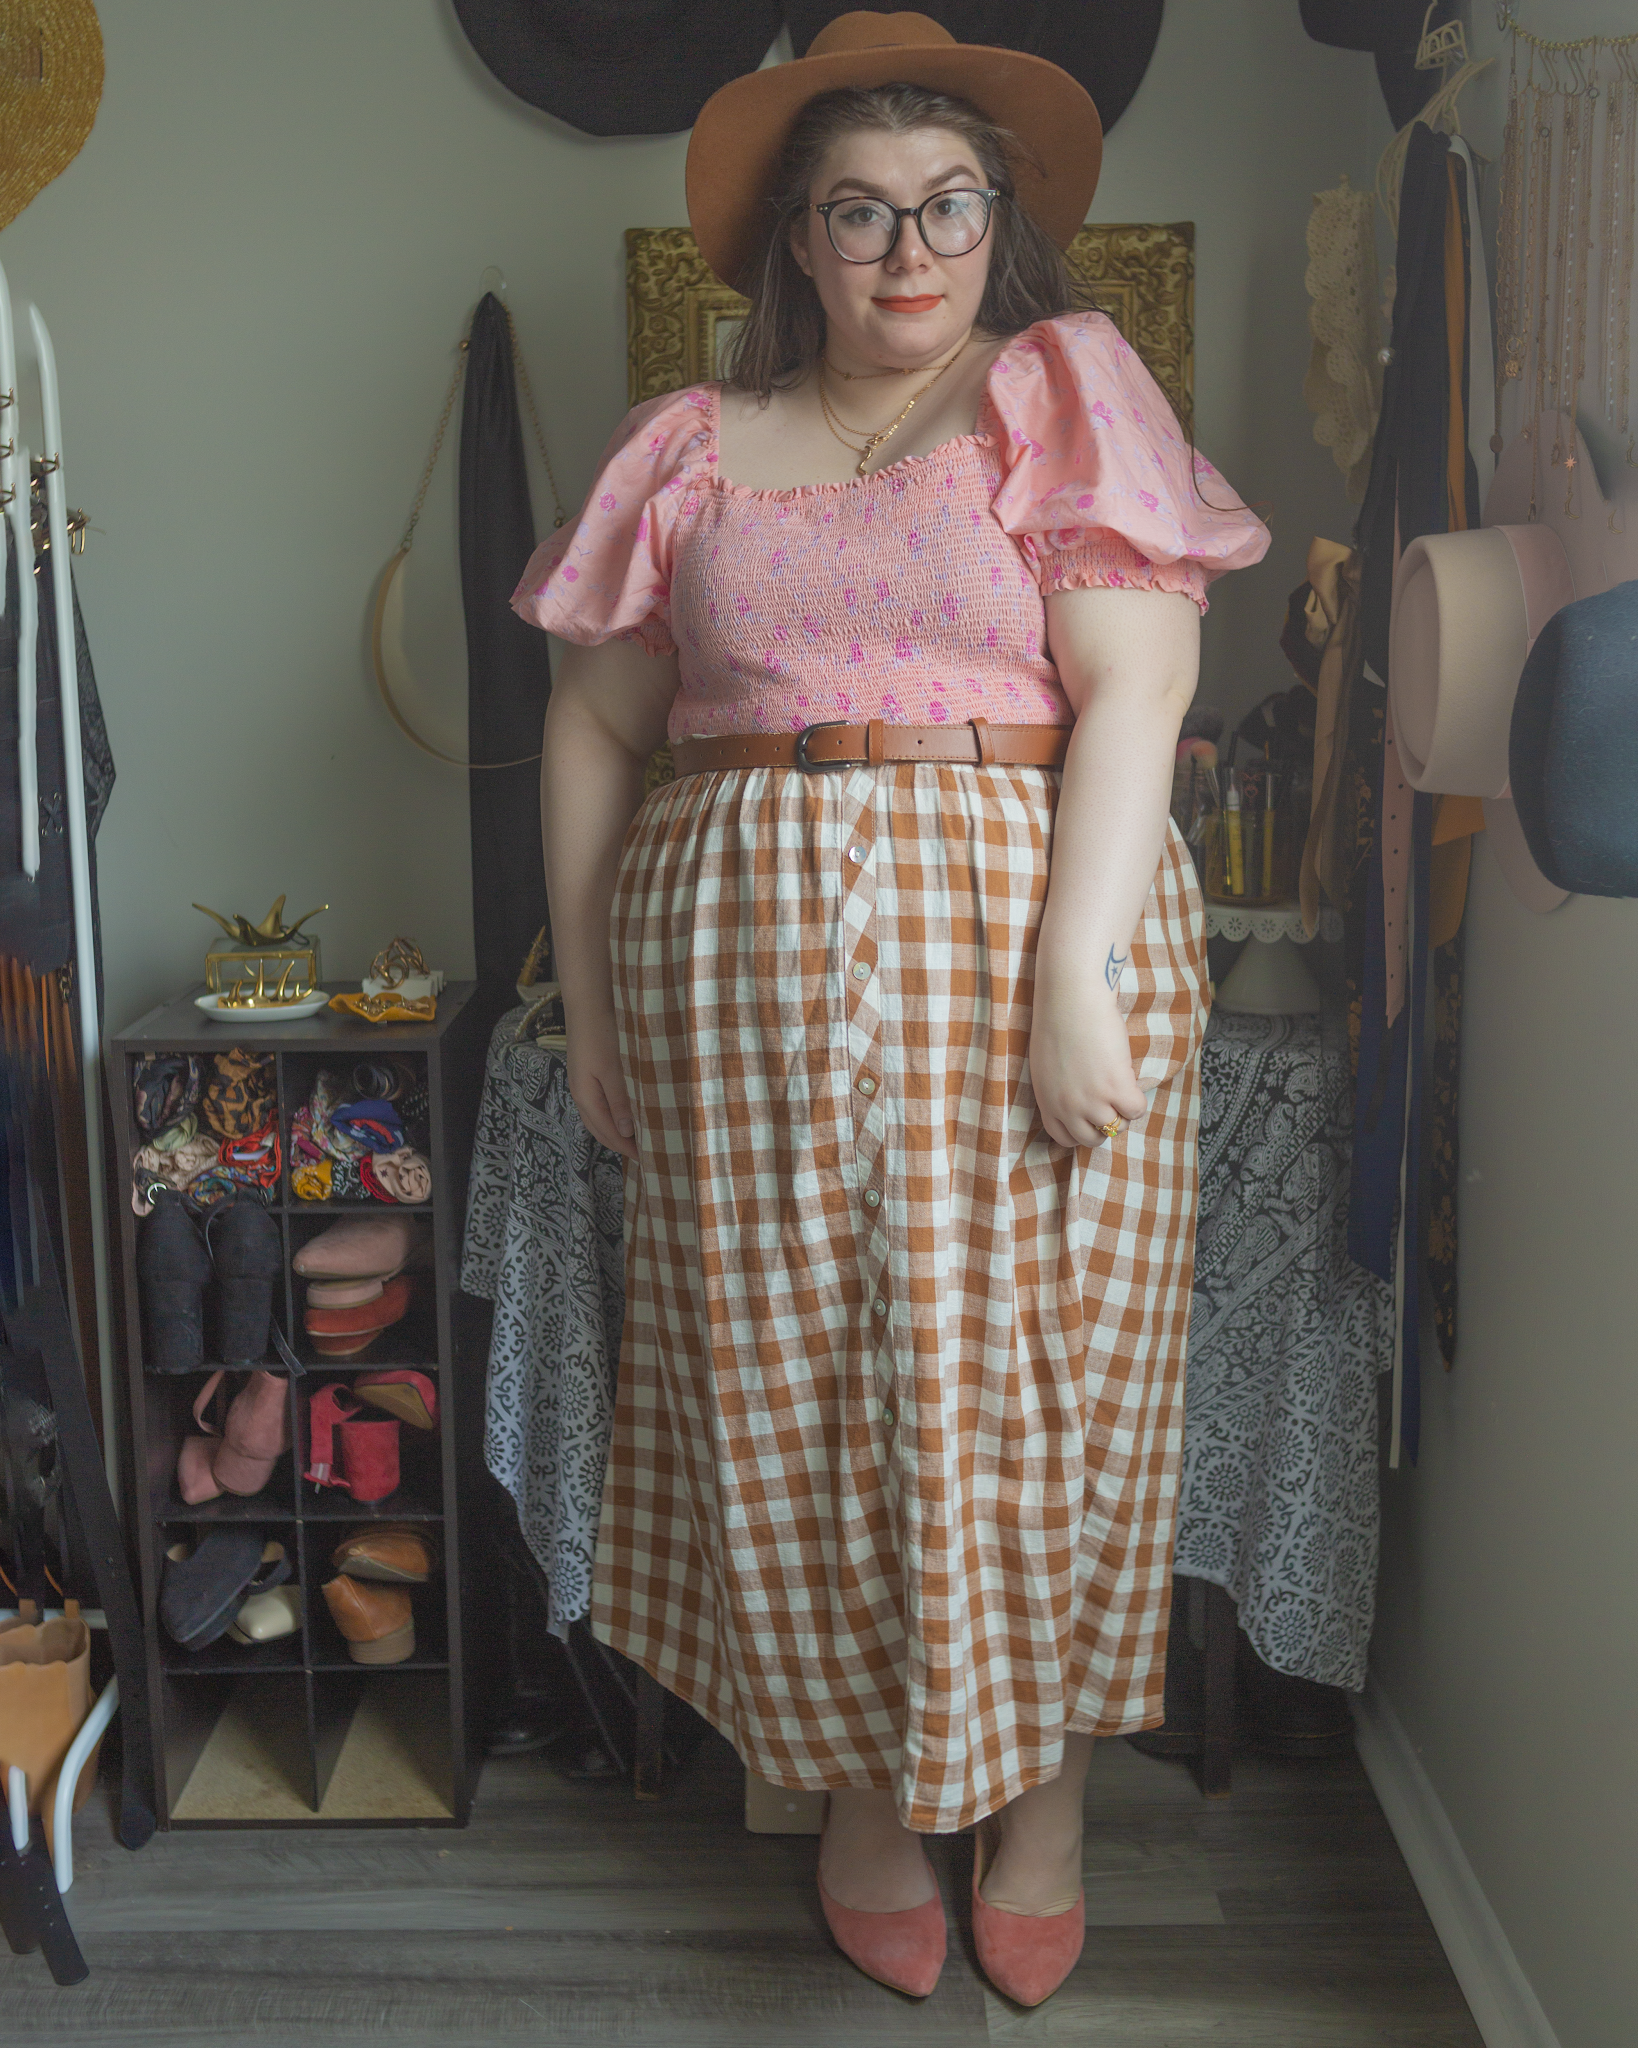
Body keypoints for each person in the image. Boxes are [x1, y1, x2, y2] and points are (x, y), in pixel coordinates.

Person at [515, 10, 1269, 2009]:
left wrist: (1079, 980)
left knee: (1043, 1392)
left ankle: (1038, 1804)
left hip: (1023, 957)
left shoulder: (1056, 391)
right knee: (796, 1393)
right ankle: (853, 1786)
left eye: (948, 203)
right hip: (736, 1006)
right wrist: (591, 992)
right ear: (793, 245)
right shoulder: (685, 447)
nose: (907, 247)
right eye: (857, 212)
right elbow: (592, 728)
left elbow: (1142, 689)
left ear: (998, 221)